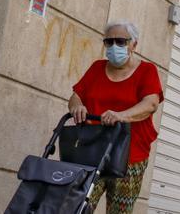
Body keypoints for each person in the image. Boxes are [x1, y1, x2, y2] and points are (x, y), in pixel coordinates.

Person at [68, 20, 164, 214]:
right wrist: (77, 107)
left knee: (119, 211)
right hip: (92, 151)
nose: (114, 47)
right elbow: (76, 96)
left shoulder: (147, 71)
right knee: (77, 206)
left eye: (120, 42)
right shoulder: (97, 68)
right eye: (109, 42)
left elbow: (151, 104)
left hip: (130, 156)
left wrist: (121, 116)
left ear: (133, 44)